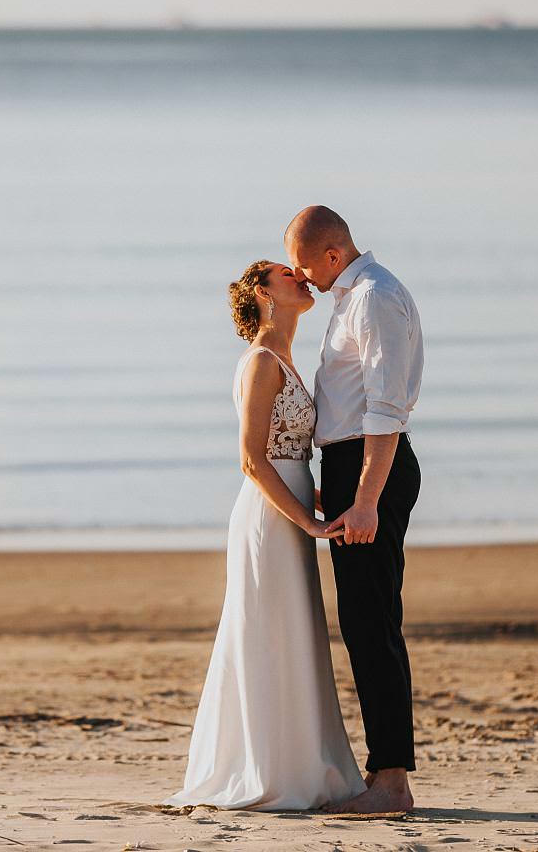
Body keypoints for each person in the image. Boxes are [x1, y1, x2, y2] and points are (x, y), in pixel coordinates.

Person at [166, 259, 366, 812]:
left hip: (293, 512)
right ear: (262, 291)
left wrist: (328, 503)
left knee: (293, 636)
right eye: (287, 273)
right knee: (269, 635)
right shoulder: (260, 362)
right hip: (269, 522)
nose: (301, 277)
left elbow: (290, 455)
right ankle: (265, 771)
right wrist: (310, 522)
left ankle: (301, 764)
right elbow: (253, 462)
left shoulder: (286, 360)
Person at [285, 205, 424, 815]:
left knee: (372, 626)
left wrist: (365, 497)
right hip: (352, 469)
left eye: (304, 265)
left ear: (333, 256)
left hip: (373, 469)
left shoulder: (372, 298)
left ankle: (391, 782)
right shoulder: (351, 296)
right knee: (365, 624)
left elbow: (385, 408)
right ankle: (384, 775)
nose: (301, 277)